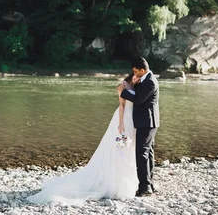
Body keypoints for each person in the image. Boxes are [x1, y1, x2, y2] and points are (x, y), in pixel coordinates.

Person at [26, 75, 139, 205]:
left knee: (130, 147)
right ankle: (113, 180)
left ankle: (127, 177)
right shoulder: (122, 85)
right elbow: (121, 105)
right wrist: (120, 123)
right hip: (123, 118)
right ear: (132, 74)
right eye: (135, 76)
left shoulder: (136, 86)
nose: (137, 78)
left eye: (138, 77)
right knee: (117, 147)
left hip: (132, 120)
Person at [118, 57, 160, 197]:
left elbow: (139, 99)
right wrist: (134, 85)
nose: (134, 73)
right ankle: (148, 184)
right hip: (147, 122)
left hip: (147, 122)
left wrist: (122, 92)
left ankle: (144, 187)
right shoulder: (146, 80)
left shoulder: (150, 82)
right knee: (148, 153)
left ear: (143, 70)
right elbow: (140, 94)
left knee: (142, 154)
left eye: (136, 71)